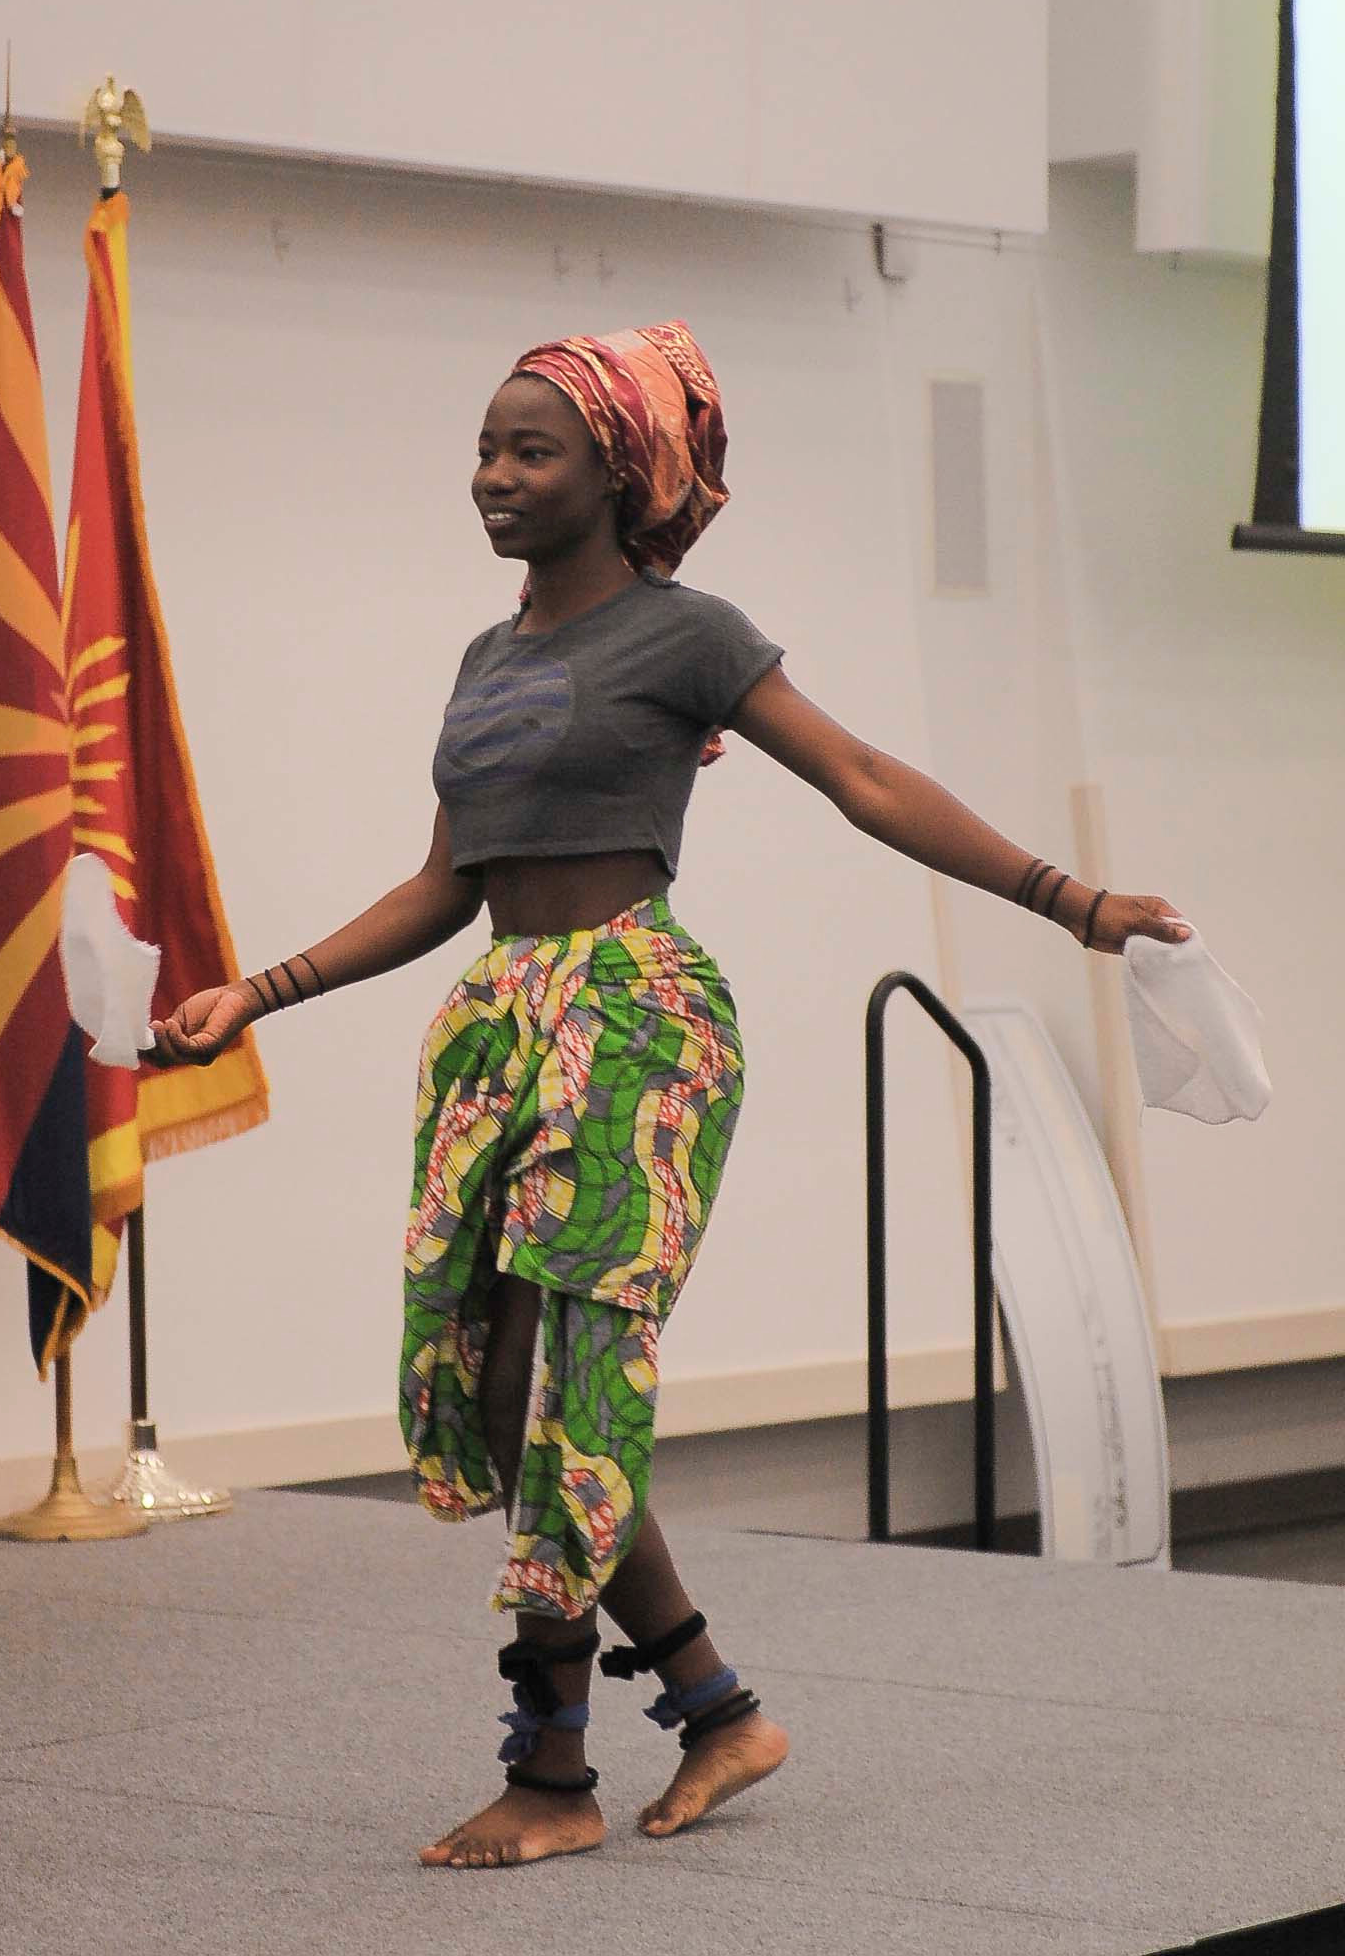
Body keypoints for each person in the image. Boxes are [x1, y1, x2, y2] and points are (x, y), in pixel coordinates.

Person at [148, 321, 1189, 1870]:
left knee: (562, 1391)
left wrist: (1067, 898)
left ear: (619, 470)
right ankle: (714, 1709)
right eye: (487, 448)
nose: (494, 476)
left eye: (532, 450)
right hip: (503, 1023)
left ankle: (556, 1772)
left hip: (634, 1024)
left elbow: (867, 778)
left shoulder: (687, 633)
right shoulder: (485, 659)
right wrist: (263, 993)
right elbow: (448, 883)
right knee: (493, 1387)